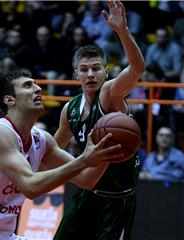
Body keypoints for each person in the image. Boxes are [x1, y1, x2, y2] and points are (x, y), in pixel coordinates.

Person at [0, 69, 127, 240]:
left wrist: (107, 152)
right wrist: (83, 160)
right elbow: (31, 187)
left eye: (36, 84)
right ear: (10, 100)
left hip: (4, 236)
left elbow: (87, 180)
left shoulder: (41, 140)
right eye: (27, 85)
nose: (38, 88)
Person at [53, 0, 145, 239]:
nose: (90, 74)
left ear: (107, 71)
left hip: (117, 201)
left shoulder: (110, 94)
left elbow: (136, 69)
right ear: (76, 75)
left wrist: (122, 31)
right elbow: (52, 148)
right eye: (84, 70)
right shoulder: (70, 110)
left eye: (96, 68)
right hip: (87, 195)